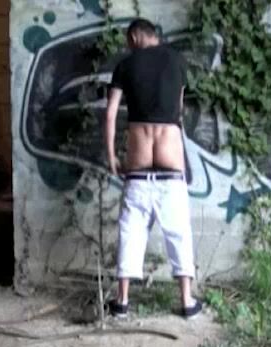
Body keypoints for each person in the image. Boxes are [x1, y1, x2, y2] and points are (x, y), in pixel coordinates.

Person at [105, 18, 202, 319]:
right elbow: (179, 112)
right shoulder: (177, 62)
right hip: (171, 168)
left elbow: (110, 114)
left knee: (130, 232)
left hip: (138, 168)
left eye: (128, 41)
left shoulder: (125, 65)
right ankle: (187, 301)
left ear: (135, 36)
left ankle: (122, 301)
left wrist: (111, 155)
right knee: (179, 233)